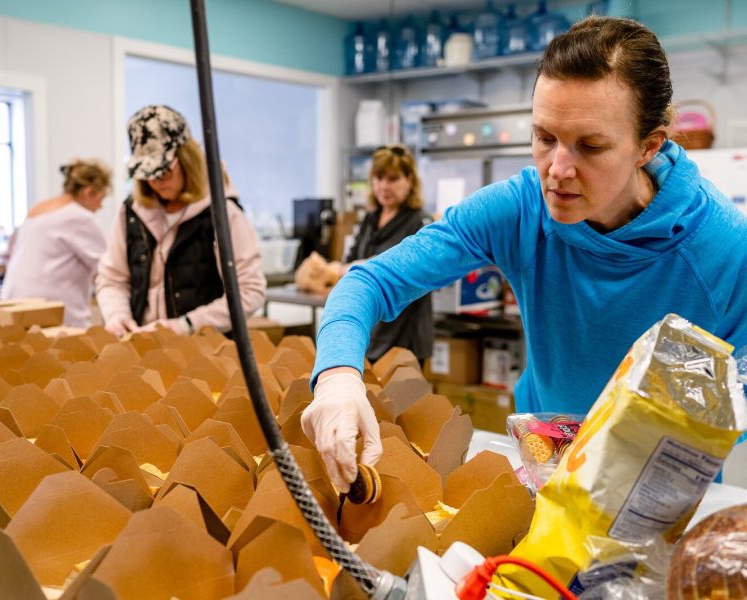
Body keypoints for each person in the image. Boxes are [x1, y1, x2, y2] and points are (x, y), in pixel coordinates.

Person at [302, 15, 747, 492]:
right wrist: (337, 377)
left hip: (661, 488)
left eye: (590, 146)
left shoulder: (719, 244)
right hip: (544, 465)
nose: (556, 170)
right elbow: (369, 282)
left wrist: (673, 427)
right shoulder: (519, 209)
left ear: (648, 146)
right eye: (544, 137)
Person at [96, 104, 266, 337]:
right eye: (148, 176)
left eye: (164, 172)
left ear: (186, 160)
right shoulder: (130, 213)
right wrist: (117, 315)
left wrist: (187, 325)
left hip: (207, 352)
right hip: (142, 347)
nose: (157, 182)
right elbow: (112, 278)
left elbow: (249, 292)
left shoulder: (223, 214)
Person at [343, 145, 433, 363]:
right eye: (378, 178)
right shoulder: (370, 219)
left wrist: (360, 267)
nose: (383, 186)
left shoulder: (420, 223)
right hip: (372, 329)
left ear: (409, 180)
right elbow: (349, 260)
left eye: (392, 179)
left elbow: (412, 272)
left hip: (404, 335)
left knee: (401, 396)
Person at [0, 159, 111, 329]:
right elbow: (109, 267)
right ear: (89, 193)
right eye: (101, 198)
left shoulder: (38, 209)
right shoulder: (80, 217)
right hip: (49, 312)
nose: (101, 206)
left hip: (13, 302)